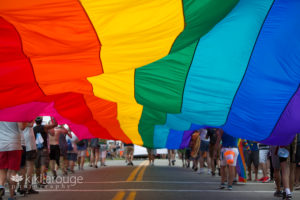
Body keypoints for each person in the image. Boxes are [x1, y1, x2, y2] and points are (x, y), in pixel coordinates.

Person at [0, 121, 25, 200]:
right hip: (14, 144)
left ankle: (1, 186)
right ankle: (11, 196)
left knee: (2, 170)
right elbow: (22, 127)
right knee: (12, 172)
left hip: (1, 144)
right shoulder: (16, 112)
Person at [33, 116, 57, 187]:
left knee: (37, 167)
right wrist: (52, 117)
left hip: (36, 149)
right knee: (43, 165)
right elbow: (55, 124)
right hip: (44, 149)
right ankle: (43, 180)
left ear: (35, 121)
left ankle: (38, 181)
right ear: (42, 120)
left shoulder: (33, 129)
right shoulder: (44, 127)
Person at [20, 121, 39, 194]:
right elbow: (31, 124)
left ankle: (21, 187)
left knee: (21, 168)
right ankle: (28, 187)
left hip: (20, 143)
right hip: (29, 144)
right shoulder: (28, 115)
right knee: (29, 167)